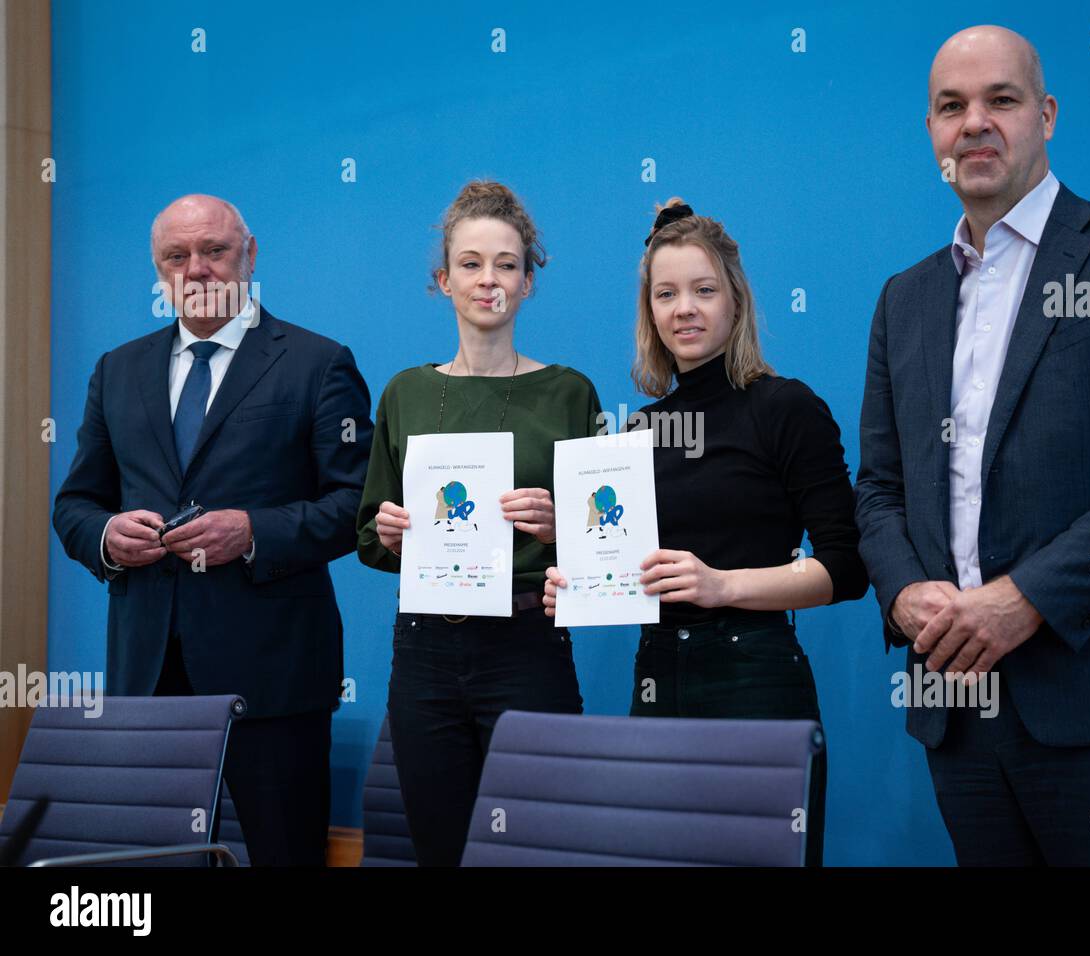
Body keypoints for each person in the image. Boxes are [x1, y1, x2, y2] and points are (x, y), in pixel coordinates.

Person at [854, 25, 1090, 865]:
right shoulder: (904, 299)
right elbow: (877, 487)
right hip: (956, 706)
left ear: (1048, 114)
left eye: (1002, 99)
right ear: (931, 132)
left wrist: (1025, 597)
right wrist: (904, 592)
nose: (975, 123)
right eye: (952, 107)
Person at [52, 193, 374, 865]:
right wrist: (108, 536)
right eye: (177, 256)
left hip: (275, 681)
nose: (196, 269)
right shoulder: (118, 370)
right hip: (148, 678)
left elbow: (356, 506)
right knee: (149, 869)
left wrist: (253, 531)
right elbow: (75, 504)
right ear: (159, 270)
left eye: (214, 252)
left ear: (249, 255)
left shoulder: (317, 363)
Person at [544, 199, 868, 867]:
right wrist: (576, 579)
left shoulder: (786, 408)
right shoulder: (635, 434)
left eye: (703, 290)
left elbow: (846, 568)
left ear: (736, 300)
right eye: (666, 294)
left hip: (756, 678)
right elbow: (631, 567)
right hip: (658, 678)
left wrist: (723, 586)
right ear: (650, 311)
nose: (684, 309)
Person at [356, 180, 602, 866]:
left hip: (528, 644)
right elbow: (367, 537)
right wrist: (392, 531)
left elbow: (609, 549)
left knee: (538, 849)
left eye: (506, 264)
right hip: (425, 651)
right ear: (443, 281)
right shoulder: (405, 393)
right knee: (440, 850)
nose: (488, 279)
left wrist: (562, 531)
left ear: (529, 281)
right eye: (470, 263)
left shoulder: (570, 392)